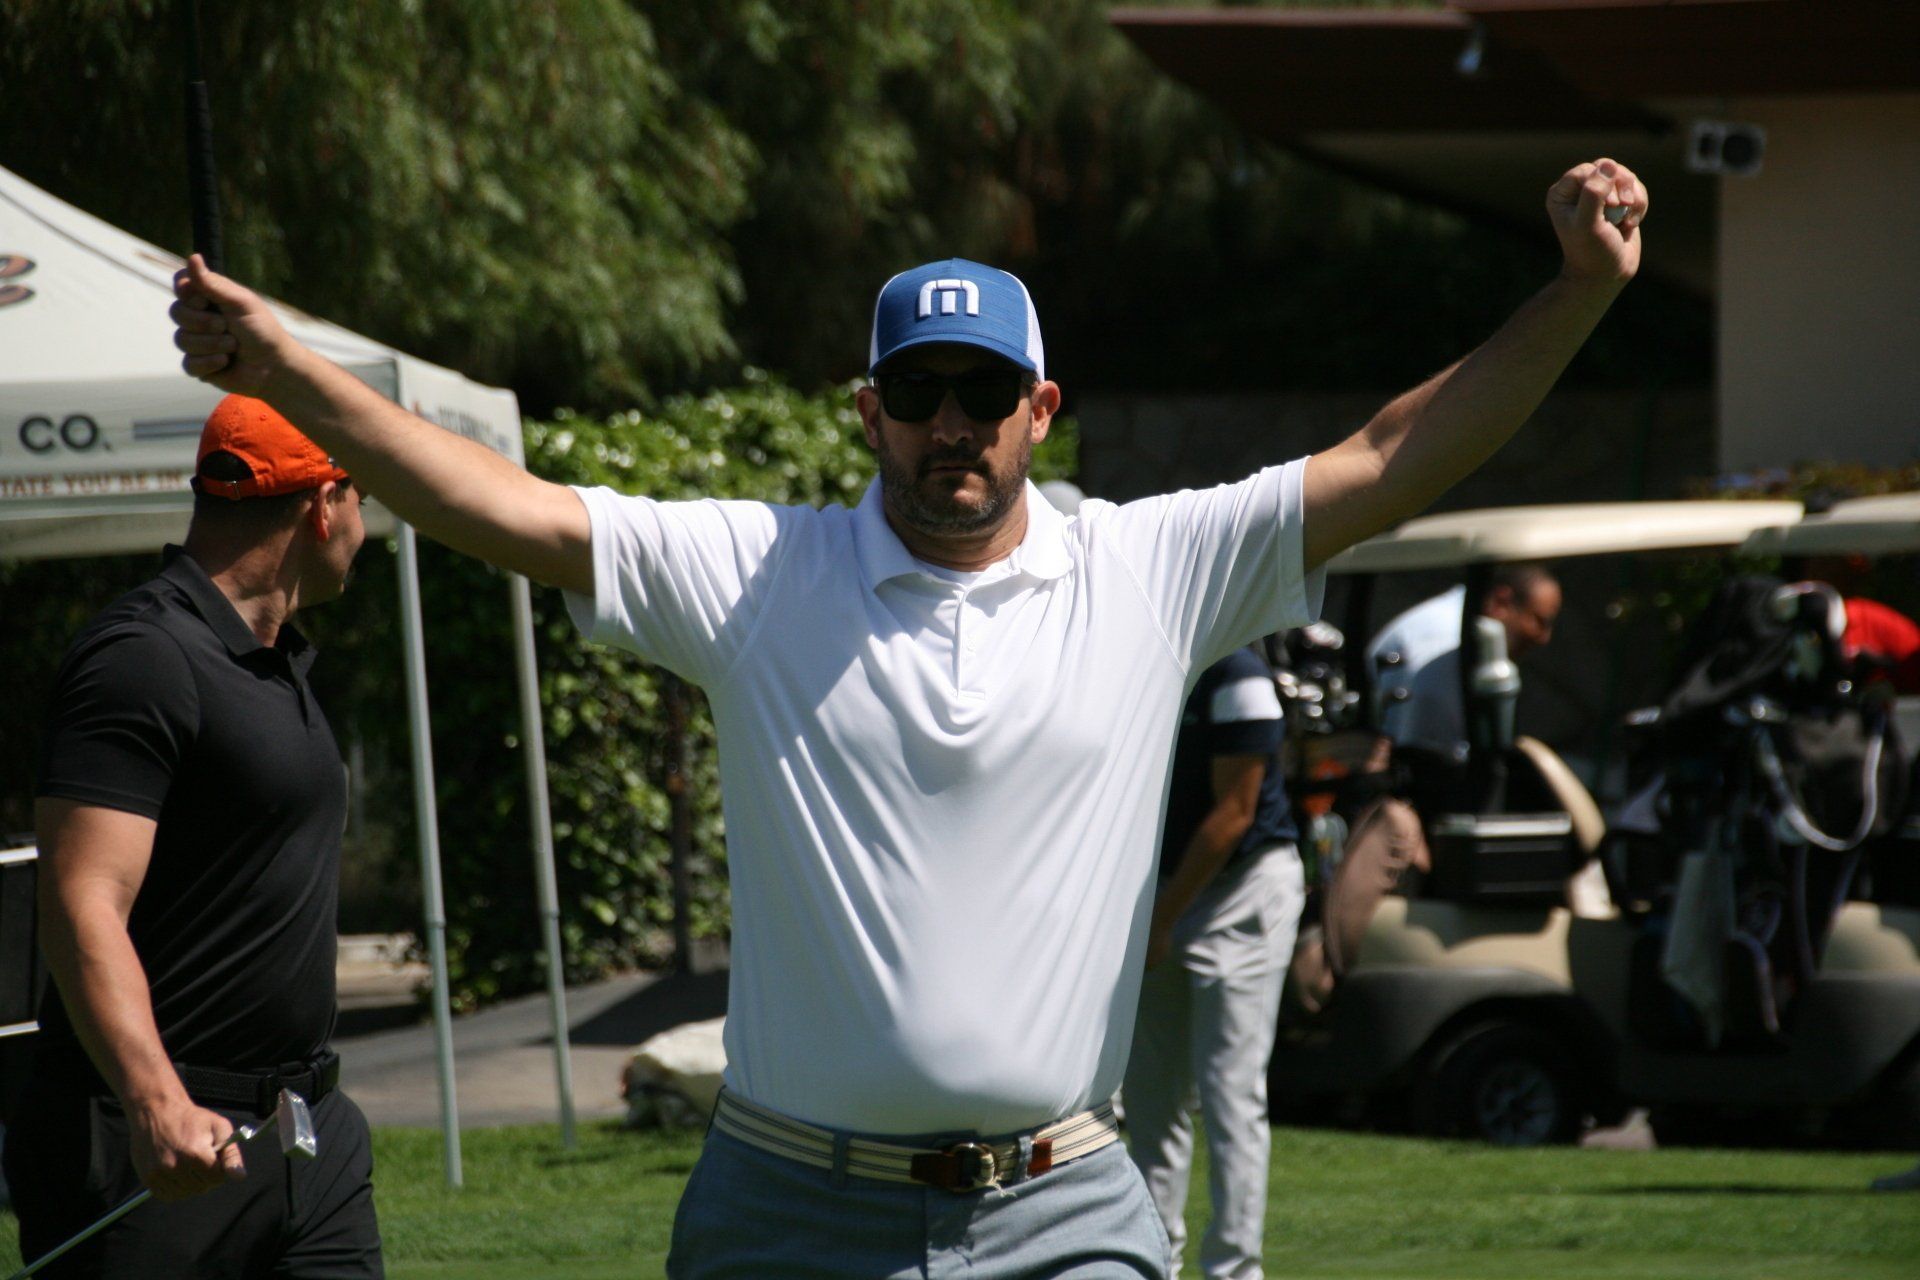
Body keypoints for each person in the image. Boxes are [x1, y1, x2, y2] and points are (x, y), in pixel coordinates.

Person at [168, 157, 1648, 1277]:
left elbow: (1393, 453)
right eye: (924, 390)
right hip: (785, 1209)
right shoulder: (759, 573)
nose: (957, 422)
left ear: (1041, 408)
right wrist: (292, 366)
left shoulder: (1149, 567)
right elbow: (506, 507)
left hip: (1069, 1209)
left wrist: (1577, 289)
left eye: (986, 392)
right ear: (868, 409)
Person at [5, 397, 383, 1278]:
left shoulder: (277, 656)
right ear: (322, 504)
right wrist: (156, 1101)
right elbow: (79, 898)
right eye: (362, 498)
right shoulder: (143, 657)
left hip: (308, 1137)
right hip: (162, 1147)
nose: (367, 527)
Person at [1124, 644, 1303, 1279]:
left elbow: (1234, 815)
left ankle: (1234, 1271)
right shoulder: (1147, 665)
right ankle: (1150, 1265)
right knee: (1150, 1104)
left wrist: (1162, 921)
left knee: (1230, 1096)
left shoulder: (1241, 678)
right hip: (1166, 891)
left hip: (1244, 891)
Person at [1364, 562, 1562, 761]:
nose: (1544, 638)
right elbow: (1431, 756)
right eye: (1540, 621)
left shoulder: (1460, 622)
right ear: (1502, 602)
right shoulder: (1449, 645)